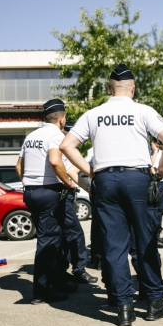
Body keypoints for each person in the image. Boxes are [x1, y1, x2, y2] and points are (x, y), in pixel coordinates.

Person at [60, 63, 163, 326]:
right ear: (133, 89)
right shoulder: (142, 111)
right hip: (137, 179)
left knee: (114, 245)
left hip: (105, 180)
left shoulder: (94, 114)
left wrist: (91, 171)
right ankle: (154, 303)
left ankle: (124, 307)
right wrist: (159, 171)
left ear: (108, 88)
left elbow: (67, 145)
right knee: (146, 240)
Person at [15, 99, 79, 304]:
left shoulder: (31, 136)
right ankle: (42, 291)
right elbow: (54, 161)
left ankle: (57, 281)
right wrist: (68, 183)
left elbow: (18, 166)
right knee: (49, 240)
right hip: (49, 192)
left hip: (31, 192)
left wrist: (30, 182)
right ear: (62, 119)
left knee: (55, 237)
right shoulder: (55, 135)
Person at [59, 121, 98, 284]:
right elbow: (70, 171)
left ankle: (61, 270)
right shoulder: (63, 145)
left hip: (55, 193)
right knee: (75, 234)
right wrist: (86, 188)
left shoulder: (54, 141)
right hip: (62, 193)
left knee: (61, 234)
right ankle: (78, 270)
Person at [150, 138, 163, 249]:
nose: (158, 145)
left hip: (161, 184)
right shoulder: (149, 153)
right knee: (152, 212)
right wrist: (155, 152)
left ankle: (157, 236)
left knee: (160, 212)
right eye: (156, 143)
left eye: (159, 143)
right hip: (152, 184)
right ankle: (153, 237)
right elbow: (150, 166)